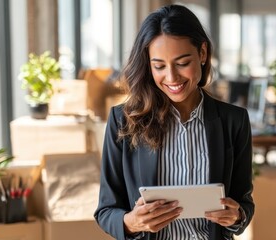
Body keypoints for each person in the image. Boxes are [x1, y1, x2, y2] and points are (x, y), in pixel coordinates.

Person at [94, 4, 254, 240]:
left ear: (202, 53)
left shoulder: (234, 121)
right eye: (159, 66)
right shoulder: (124, 121)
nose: (171, 77)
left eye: (182, 63)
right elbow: (106, 211)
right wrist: (132, 222)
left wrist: (237, 216)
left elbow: (244, 202)